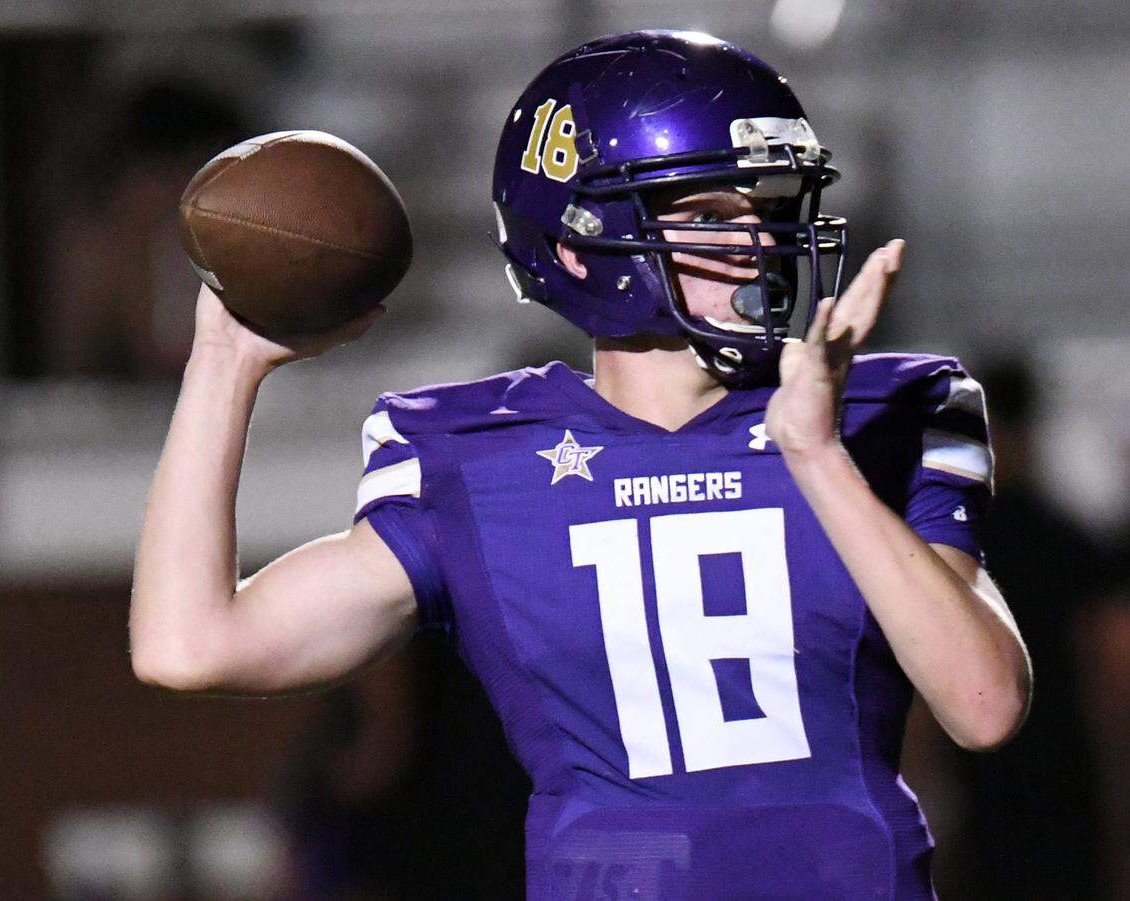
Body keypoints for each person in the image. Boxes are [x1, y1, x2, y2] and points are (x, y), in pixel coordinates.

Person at [130, 31, 1031, 899]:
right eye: (713, 215)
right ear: (577, 243)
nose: (759, 244)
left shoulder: (876, 414)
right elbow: (189, 644)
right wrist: (226, 359)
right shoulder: (476, 459)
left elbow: (984, 703)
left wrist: (817, 456)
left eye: (770, 207)